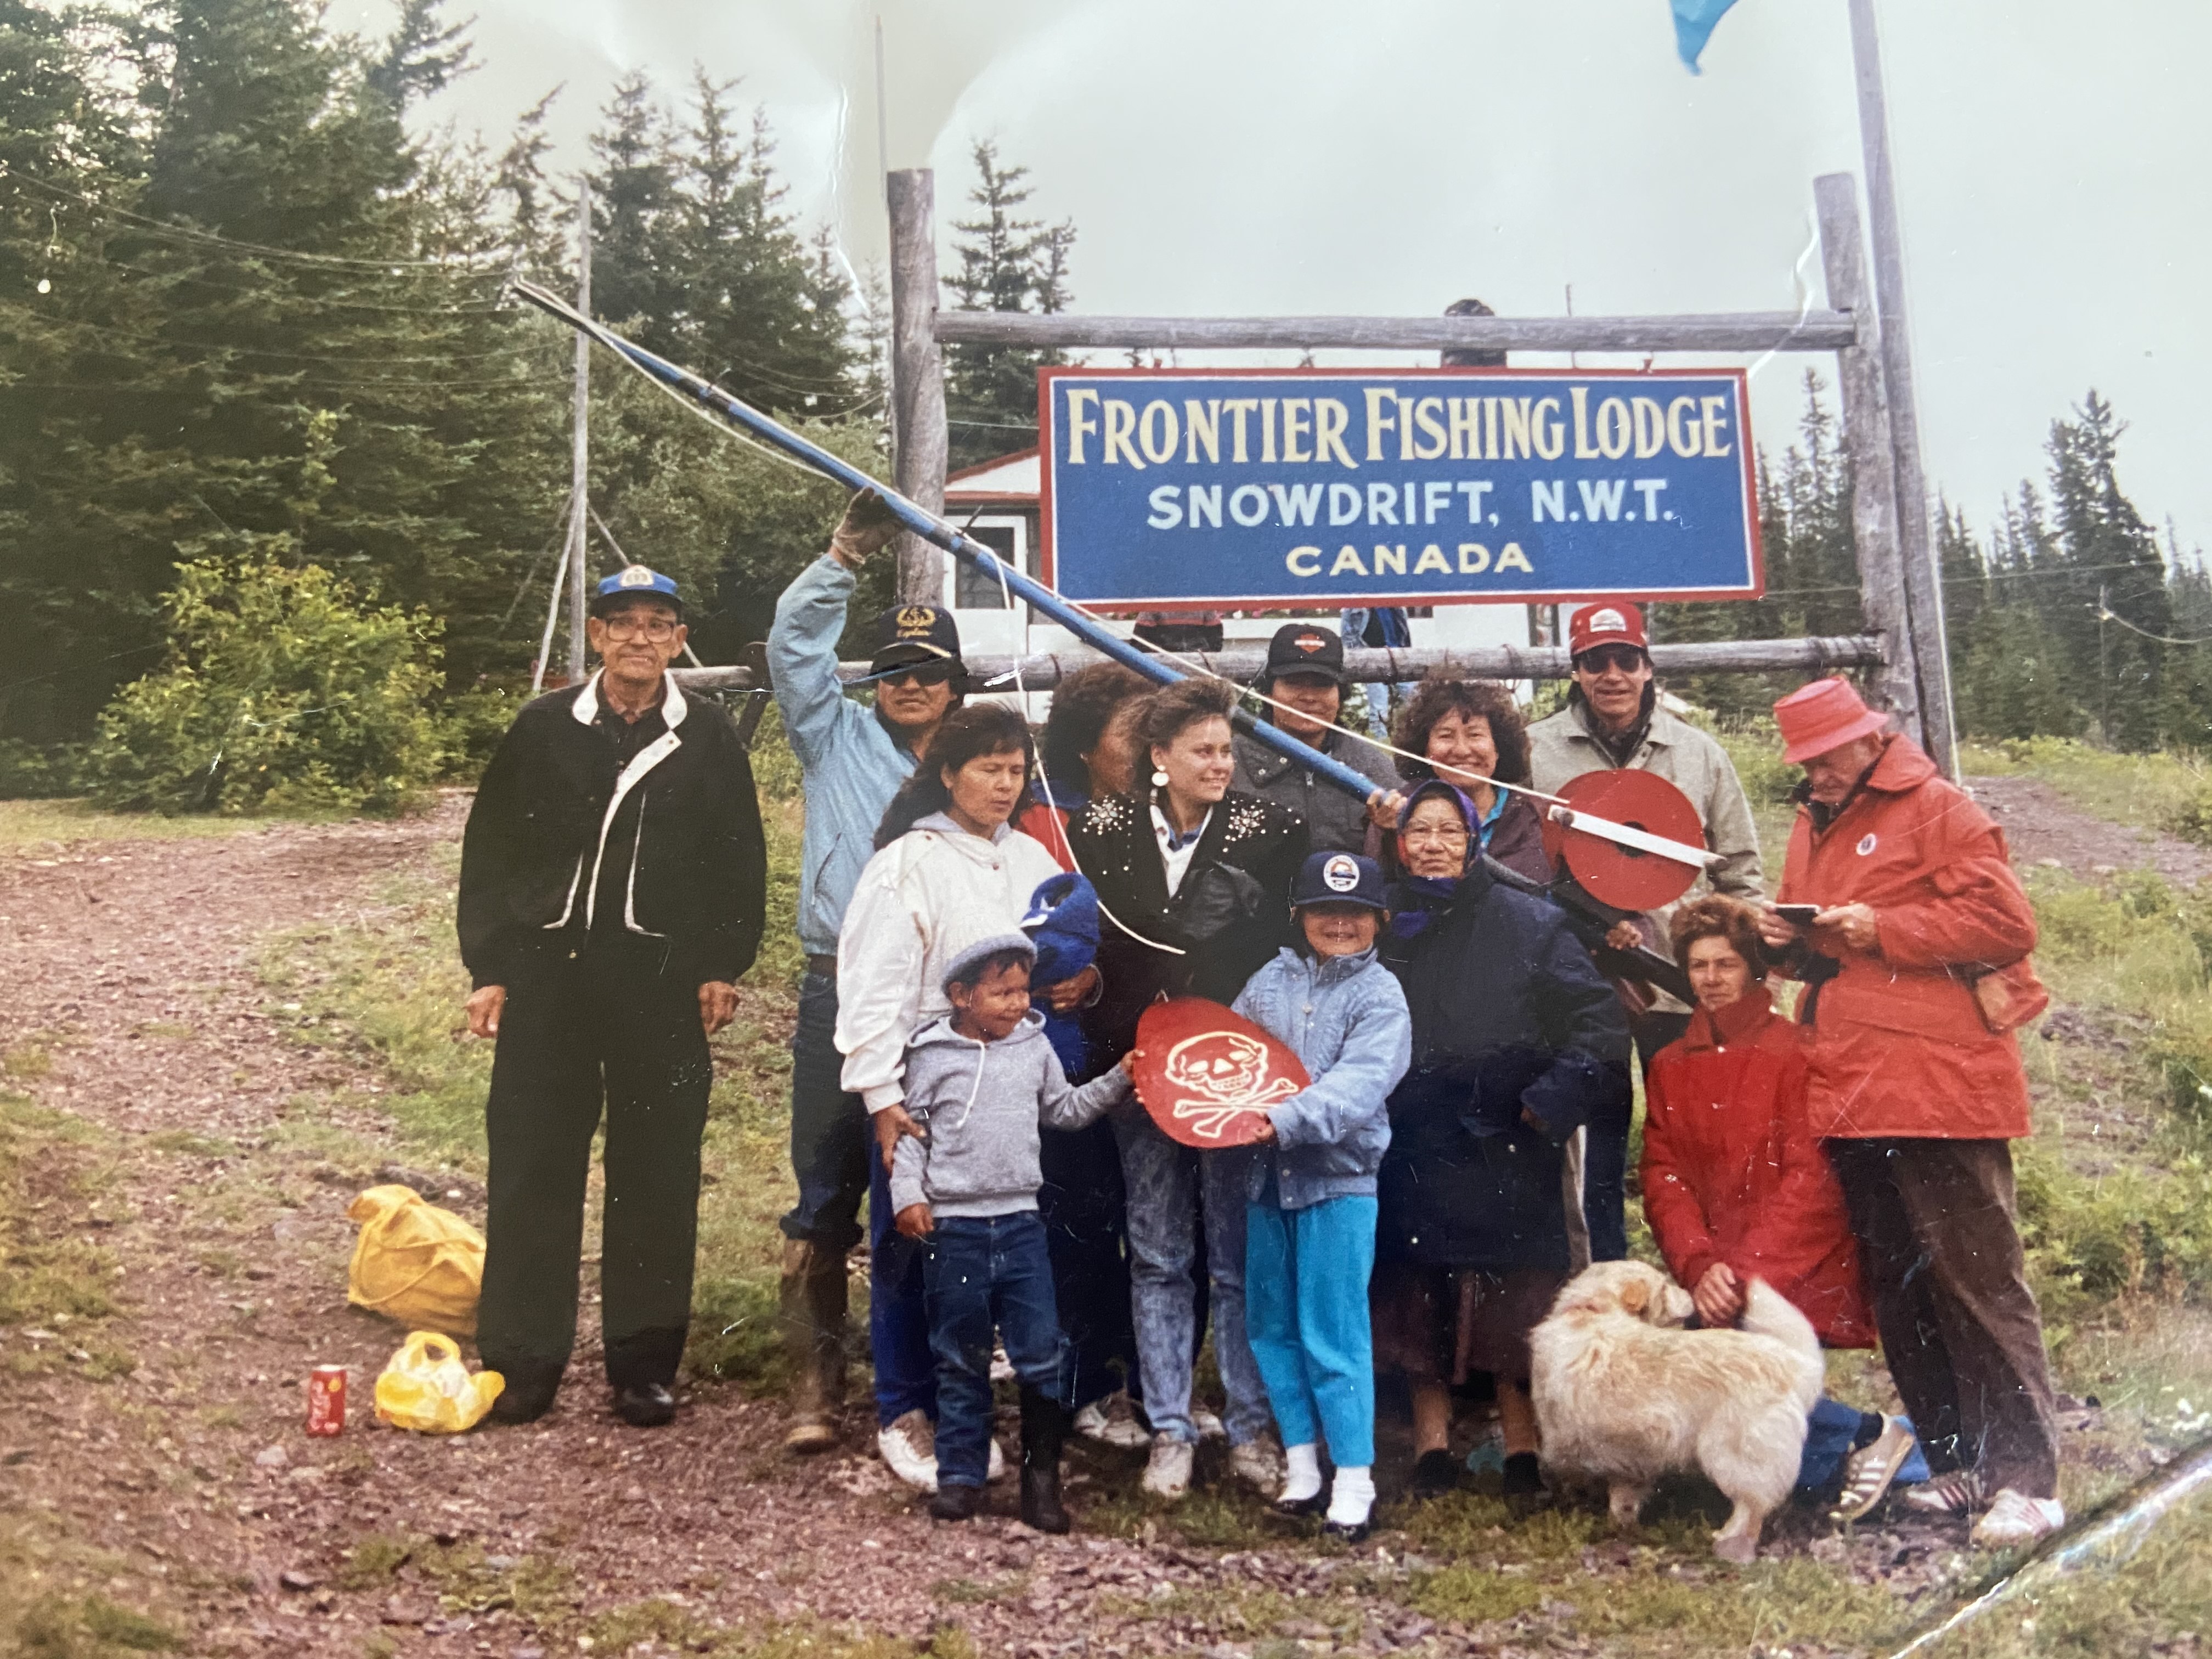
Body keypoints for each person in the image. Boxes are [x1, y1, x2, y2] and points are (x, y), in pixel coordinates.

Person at [1757, 677, 2064, 1549]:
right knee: (1901, 1286)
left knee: (1977, 1281)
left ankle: (2030, 1484)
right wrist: (1785, 942)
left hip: (1942, 1088)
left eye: (1822, 757)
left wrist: (1881, 927)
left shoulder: (1938, 808)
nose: (1811, 773)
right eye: (1803, 761)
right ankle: (1958, 1463)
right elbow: (1827, 956)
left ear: (1868, 743)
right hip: (1850, 1086)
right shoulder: (1813, 823)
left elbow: (2007, 923)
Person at [459, 565, 766, 1429]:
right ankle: (521, 1362)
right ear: (595, 636)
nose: (639, 637)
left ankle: (643, 1365)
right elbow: (490, 857)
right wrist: (491, 968)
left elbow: (738, 864)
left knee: (657, 1173)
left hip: (659, 987)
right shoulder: (543, 727)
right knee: (531, 1166)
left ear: (678, 640)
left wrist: (721, 964)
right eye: (621, 622)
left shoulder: (706, 738)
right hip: (550, 981)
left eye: (657, 623)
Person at [1066, 676, 1310, 1500]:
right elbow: (1085, 939)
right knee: (1159, 1251)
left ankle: (1248, 1428)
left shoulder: (1272, 832)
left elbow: (1286, 954)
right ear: (1158, 758)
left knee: (1236, 1256)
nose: (1219, 764)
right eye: (1201, 751)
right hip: (1138, 1068)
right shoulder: (1097, 828)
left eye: (1227, 750)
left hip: (1232, 1071)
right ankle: (1169, 1426)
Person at [768, 489, 967, 1465]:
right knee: (824, 1183)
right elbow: (792, 652)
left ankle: (924, 1378)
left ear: (957, 685)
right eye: (892, 669)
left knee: (930, 1185)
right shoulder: (831, 736)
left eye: (928, 671)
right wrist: (844, 552)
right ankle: (813, 1379)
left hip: (942, 1002)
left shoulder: (981, 766)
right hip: (834, 989)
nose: (909, 685)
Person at [1372, 780, 1629, 1505]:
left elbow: (1595, 1020)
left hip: (1506, 1137)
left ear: (1475, 839)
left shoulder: (1530, 922)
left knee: (1513, 1294)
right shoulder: (1385, 923)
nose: (1433, 845)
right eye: (1418, 832)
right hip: (1411, 1137)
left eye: (1449, 832)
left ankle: (1522, 1447)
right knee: (1419, 1289)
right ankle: (1431, 1444)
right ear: (1399, 843)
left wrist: (1546, 1104)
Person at [836, 702, 1066, 1489]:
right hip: (926, 1081)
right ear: (947, 774)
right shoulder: (909, 861)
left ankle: (970, 1412)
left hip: (1010, 1088)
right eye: (987, 769)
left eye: (1014, 770)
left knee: (993, 1251)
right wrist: (880, 1092)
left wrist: (1080, 982)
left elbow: (1063, 959)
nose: (1004, 785)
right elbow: (874, 985)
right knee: (911, 1241)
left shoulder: (1034, 857)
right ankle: (907, 1407)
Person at [1641, 896, 1928, 1519]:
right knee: (1701, 1369)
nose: (1711, 980)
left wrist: (1744, 1274)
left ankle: (1868, 1439)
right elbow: (1664, 1175)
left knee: (1725, 1370)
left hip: (1794, 1260)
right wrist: (1698, 1265)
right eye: (1698, 967)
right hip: (1716, 1269)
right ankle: (1865, 1442)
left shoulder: (1797, 1050)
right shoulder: (1668, 1065)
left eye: (1726, 965)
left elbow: (1813, 1177)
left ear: (1757, 971)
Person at [1525, 602, 1763, 1262]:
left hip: (1678, 986)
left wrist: (1741, 974)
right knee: (1591, 1150)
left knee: (1695, 1140)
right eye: (1594, 661)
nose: (1611, 675)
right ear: (1575, 669)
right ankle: (1602, 1287)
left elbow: (1740, 871)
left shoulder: (1698, 753)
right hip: (1579, 984)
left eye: (1625, 659)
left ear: (1647, 665)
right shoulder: (1534, 751)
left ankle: (1714, 1279)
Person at [889, 935, 1139, 1534]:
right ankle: (961, 1477)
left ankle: (1040, 1483)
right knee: (960, 1353)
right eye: (1000, 992)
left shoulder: (1035, 1046)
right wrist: (909, 1197)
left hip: (1023, 1226)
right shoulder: (928, 1056)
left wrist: (1118, 1079)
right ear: (960, 996)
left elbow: (1065, 1110)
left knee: (1041, 1355)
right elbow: (909, 1136)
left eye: (1022, 990)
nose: (1015, 1003)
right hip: (954, 1231)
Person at [1233, 851, 1412, 1541]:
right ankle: (1302, 1463)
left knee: (1333, 1330)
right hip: (1263, 1182)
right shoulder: (1267, 983)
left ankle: (1356, 1477)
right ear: (1298, 917)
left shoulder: (1381, 996)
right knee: (1271, 1326)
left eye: (1355, 913)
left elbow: (1361, 1084)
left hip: (1338, 1181)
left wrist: (1282, 1120)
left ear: (1378, 921)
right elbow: (1228, 1052)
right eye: (1323, 912)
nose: (1339, 924)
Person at [1231, 623, 1398, 856]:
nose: (1309, 697)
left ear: (1340, 694)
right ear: (1267, 692)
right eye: (1294, 683)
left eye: (1322, 684)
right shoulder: (1228, 764)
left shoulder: (1375, 768)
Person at [1386, 676, 1552, 883]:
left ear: (1498, 748)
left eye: (1475, 735)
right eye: (1446, 736)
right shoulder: (1399, 811)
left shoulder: (1536, 815)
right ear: (1425, 749)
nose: (1462, 751)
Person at [1018, 661, 1152, 865]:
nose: (1147, 751)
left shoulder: (1170, 807)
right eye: (1133, 739)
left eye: (1152, 736)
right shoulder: (1040, 822)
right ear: (1085, 745)